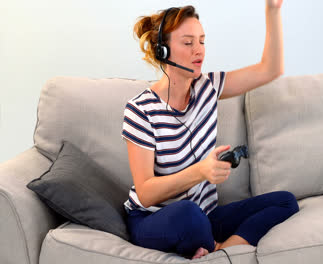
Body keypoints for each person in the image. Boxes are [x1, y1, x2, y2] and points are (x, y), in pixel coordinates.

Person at [121, 0, 299, 260]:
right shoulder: (140, 110)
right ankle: (213, 248)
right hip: (154, 219)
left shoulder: (208, 86)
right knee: (187, 213)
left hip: (204, 216)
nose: (199, 51)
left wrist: (272, 9)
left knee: (285, 201)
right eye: (188, 42)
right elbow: (146, 193)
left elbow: (271, 69)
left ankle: (220, 251)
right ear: (162, 51)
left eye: (202, 41)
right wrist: (200, 172)